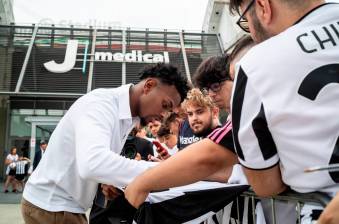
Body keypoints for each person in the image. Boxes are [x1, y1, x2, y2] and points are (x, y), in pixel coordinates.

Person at [21, 63, 189, 224]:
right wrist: (167, 170)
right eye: (165, 105)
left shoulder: (126, 117)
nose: (164, 115)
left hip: (62, 206)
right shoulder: (101, 105)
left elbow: (90, 162)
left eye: (169, 111)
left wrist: (109, 181)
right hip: (53, 206)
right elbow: (93, 163)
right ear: (149, 86)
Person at [193, 55, 232, 124]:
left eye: (216, 86)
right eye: (206, 90)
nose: (211, 95)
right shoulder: (231, 120)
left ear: (233, 77)